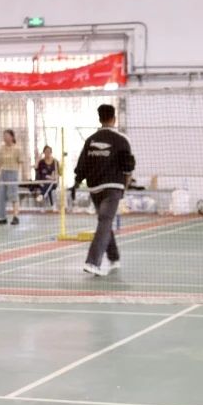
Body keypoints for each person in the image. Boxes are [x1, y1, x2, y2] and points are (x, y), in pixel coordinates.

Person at [74, 104, 134, 277]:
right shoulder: (121, 140)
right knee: (105, 222)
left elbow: (81, 166)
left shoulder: (90, 140)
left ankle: (111, 259)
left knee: (104, 221)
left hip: (95, 188)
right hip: (113, 188)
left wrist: (76, 183)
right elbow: (128, 167)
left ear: (99, 118)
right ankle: (95, 262)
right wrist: (124, 189)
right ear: (114, 119)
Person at [0, 128, 24, 225]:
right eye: (4, 136)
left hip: (13, 172)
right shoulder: (1, 148)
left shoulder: (17, 149)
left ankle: (15, 216)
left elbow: (20, 162)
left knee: (13, 195)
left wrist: (19, 174)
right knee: (0, 195)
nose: (5, 137)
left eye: (7, 135)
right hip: (3, 173)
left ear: (12, 137)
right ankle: (1, 217)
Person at [34, 145, 59, 210]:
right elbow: (36, 168)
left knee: (49, 185)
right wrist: (39, 157)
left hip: (52, 183)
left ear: (51, 152)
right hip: (42, 182)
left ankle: (42, 195)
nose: (47, 153)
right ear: (44, 152)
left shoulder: (55, 162)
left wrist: (47, 176)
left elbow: (54, 177)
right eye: (46, 152)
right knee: (47, 187)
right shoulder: (41, 162)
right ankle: (52, 205)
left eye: (49, 152)